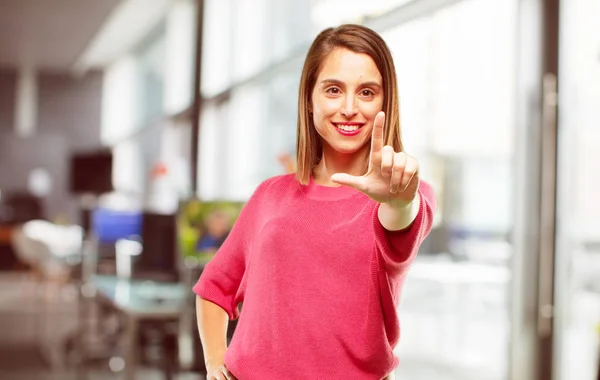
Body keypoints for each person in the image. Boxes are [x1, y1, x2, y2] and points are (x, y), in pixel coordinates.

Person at [194, 24, 436, 380]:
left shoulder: (404, 195)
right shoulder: (270, 196)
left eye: (367, 92)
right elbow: (215, 287)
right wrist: (216, 363)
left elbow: (402, 222)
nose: (350, 108)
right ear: (310, 99)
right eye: (334, 90)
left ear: (387, 102)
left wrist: (401, 201)